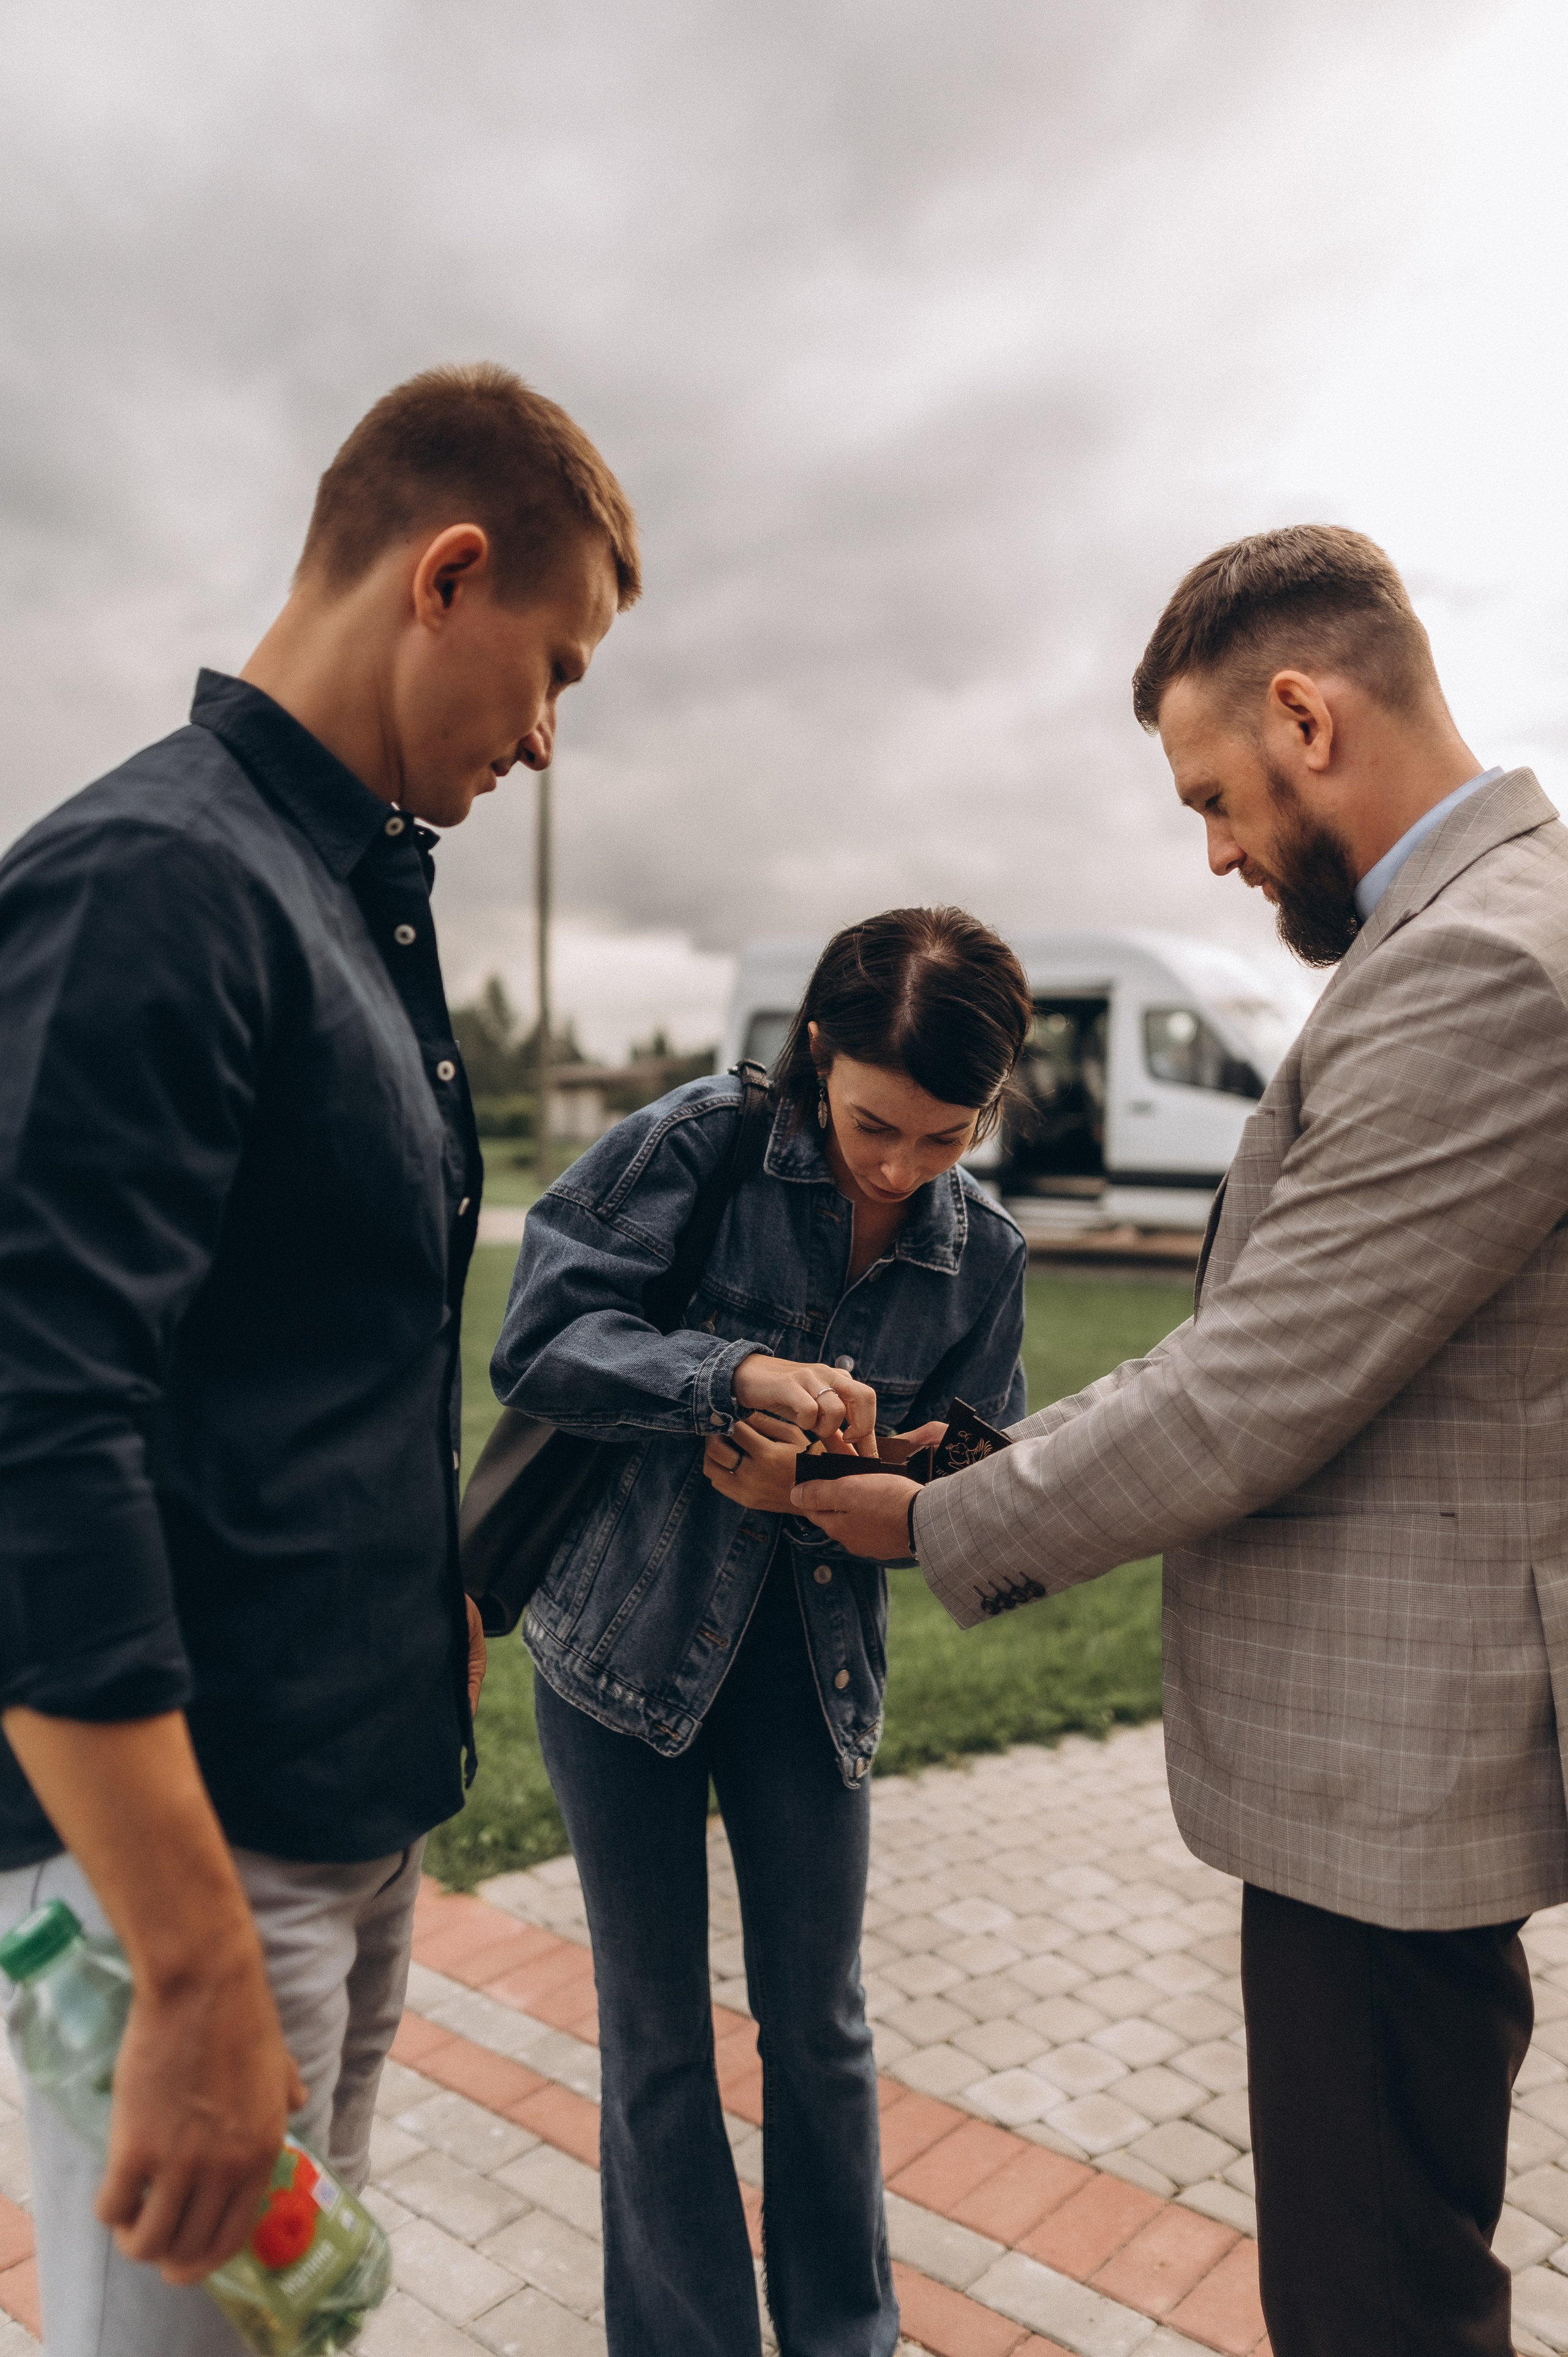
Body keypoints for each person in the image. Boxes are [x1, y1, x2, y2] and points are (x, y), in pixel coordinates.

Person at [793, 525, 1568, 2357]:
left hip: (1390, 1792)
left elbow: (1251, 1389)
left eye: (1214, 793)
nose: (1214, 849)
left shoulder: (1485, 968)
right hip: (1379, 1787)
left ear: (1306, 714)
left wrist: (936, 1520)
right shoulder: (1463, 933)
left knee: (1375, 2301)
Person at [0, 361, 637, 2355]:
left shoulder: (342, 892)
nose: (546, 735)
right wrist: (189, 1969)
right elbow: (35, 1429)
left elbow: (304, 1352)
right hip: (197, 1864)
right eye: (557, 669)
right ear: (446, 574)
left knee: (301, 2335)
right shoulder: (154, 883)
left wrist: (417, 1576)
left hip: (344, 1811)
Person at [491, 906, 1031, 2357]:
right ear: (814, 1046)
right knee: (656, 2041)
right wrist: (725, 1374)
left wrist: (890, 1489)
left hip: (810, 1667)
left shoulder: (984, 1254)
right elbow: (538, 1335)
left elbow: (986, 1475)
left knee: (823, 2032)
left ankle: (842, 2338)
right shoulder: (691, 1144)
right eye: (872, 1123)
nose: (898, 1167)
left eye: (943, 1136)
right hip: (618, 1646)